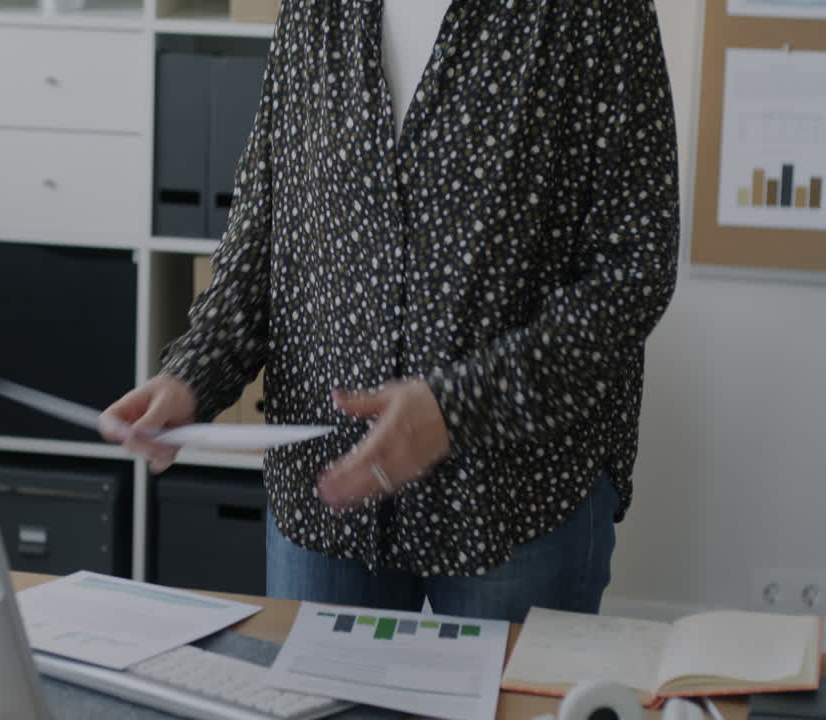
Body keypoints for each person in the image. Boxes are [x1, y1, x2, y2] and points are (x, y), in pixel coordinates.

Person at [103, 0, 679, 624]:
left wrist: (458, 408)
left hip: (517, 495)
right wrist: (192, 374)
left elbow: (635, 268)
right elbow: (266, 228)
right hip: (327, 493)